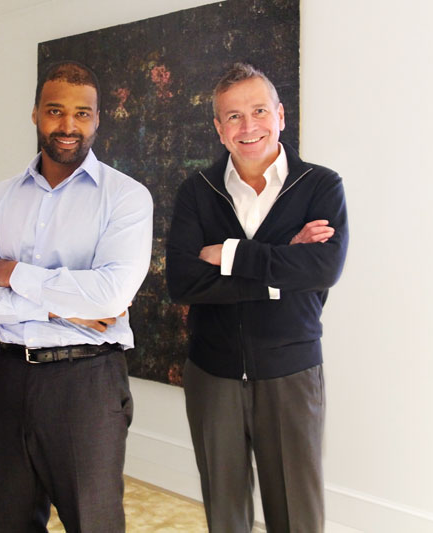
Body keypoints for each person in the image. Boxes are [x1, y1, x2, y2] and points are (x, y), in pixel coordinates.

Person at [0, 61, 153, 533]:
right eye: (55, 110)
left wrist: (12, 273)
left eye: (82, 113)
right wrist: (60, 307)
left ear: (98, 119)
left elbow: (110, 295)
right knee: (9, 521)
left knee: (93, 523)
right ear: (36, 114)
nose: (68, 125)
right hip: (7, 374)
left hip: (86, 382)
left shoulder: (126, 198)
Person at [166, 62, 349, 532]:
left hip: (291, 372)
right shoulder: (196, 192)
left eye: (259, 111)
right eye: (233, 116)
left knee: (297, 516)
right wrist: (282, 265)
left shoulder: (321, 186)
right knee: (225, 514)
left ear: (281, 116)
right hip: (212, 373)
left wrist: (229, 254)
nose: (248, 126)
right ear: (219, 128)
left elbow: (323, 269)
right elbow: (183, 282)